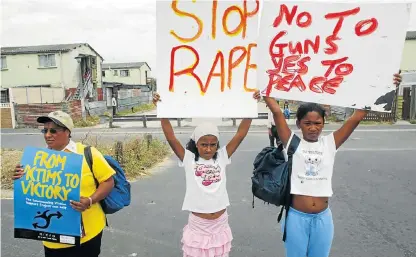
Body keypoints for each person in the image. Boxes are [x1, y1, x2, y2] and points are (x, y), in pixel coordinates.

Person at [263, 73, 402, 257]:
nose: (313, 127)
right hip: (296, 219)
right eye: (308, 123)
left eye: (318, 123)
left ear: (323, 123)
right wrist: (265, 92)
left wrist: (386, 86)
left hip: (323, 220)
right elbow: (277, 112)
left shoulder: (330, 144)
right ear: (299, 124)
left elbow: (357, 116)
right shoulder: (293, 144)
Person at [152, 90, 261, 257]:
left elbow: (240, 135)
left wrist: (251, 108)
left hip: (220, 223)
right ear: (196, 144)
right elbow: (171, 138)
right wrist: (162, 111)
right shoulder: (188, 159)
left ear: (218, 145)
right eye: (204, 144)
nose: (209, 148)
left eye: (213, 144)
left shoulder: (222, 157)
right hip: (198, 225)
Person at [12, 111, 115, 257]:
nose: (47, 135)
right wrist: (19, 178)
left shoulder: (87, 153)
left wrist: (90, 200)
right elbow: (31, 191)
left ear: (67, 132)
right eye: (45, 130)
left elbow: (108, 181)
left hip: (87, 234)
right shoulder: (37, 160)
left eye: (53, 130)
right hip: (52, 236)